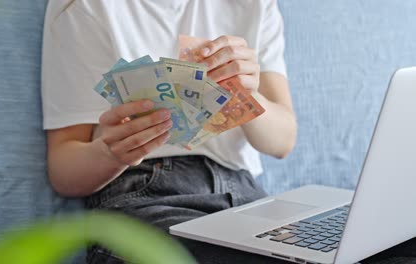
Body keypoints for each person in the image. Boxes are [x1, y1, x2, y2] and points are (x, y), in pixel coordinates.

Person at [41, 1, 416, 263]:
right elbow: (64, 170)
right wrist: (111, 151)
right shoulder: (88, 7)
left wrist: (247, 95)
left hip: (249, 200)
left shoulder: (254, 5)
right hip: (144, 194)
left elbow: (282, 141)